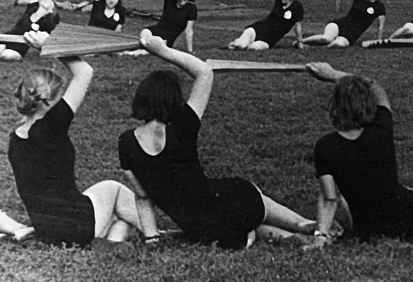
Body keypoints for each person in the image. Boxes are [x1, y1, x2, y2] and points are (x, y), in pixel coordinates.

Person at [119, 34, 318, 249]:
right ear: (174, 100)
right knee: (247, 193)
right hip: (230, 204)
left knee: (240, 228)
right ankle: (303, 224)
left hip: (204, 231)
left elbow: (142, 196)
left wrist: (152, 238)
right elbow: (204, 72)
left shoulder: (126, 142)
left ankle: (291, 238)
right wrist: (162, 51)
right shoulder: (183, 125)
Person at [8, 52, 142, 245]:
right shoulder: (52, 126)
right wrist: (51, 46)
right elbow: (84, 71)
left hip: (47, 229)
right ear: (49, 100)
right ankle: (155, 232)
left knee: (119, 217)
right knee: (113, 188)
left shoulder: (15, 139)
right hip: (75, 225)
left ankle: (113, 240)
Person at [305, 64, 413, 241]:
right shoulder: (381, 128)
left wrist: (320, 236)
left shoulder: (325, 145)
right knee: (405, 192)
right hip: (405, 218)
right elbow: (377, 88)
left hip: (368, 230)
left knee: (343, 199)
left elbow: (329, 198)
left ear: (335, 108)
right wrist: (334, 74)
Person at [301, 0, 390, 47]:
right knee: (326, 39)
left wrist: (379, 40)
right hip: (340, 25)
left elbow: (380, 26)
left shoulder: (379, 6)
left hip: (351, 36)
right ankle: (301, 41)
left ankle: (314, 47)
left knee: (337, 44)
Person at [227, 0, 305, 50]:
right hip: (258, 30)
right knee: (240, 45)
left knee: (253, 48)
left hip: (269, 40)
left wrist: (300, 42)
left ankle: (240, 43)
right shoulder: (278, 4)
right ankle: (237, 43)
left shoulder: (296, 7)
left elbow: (297, 25)